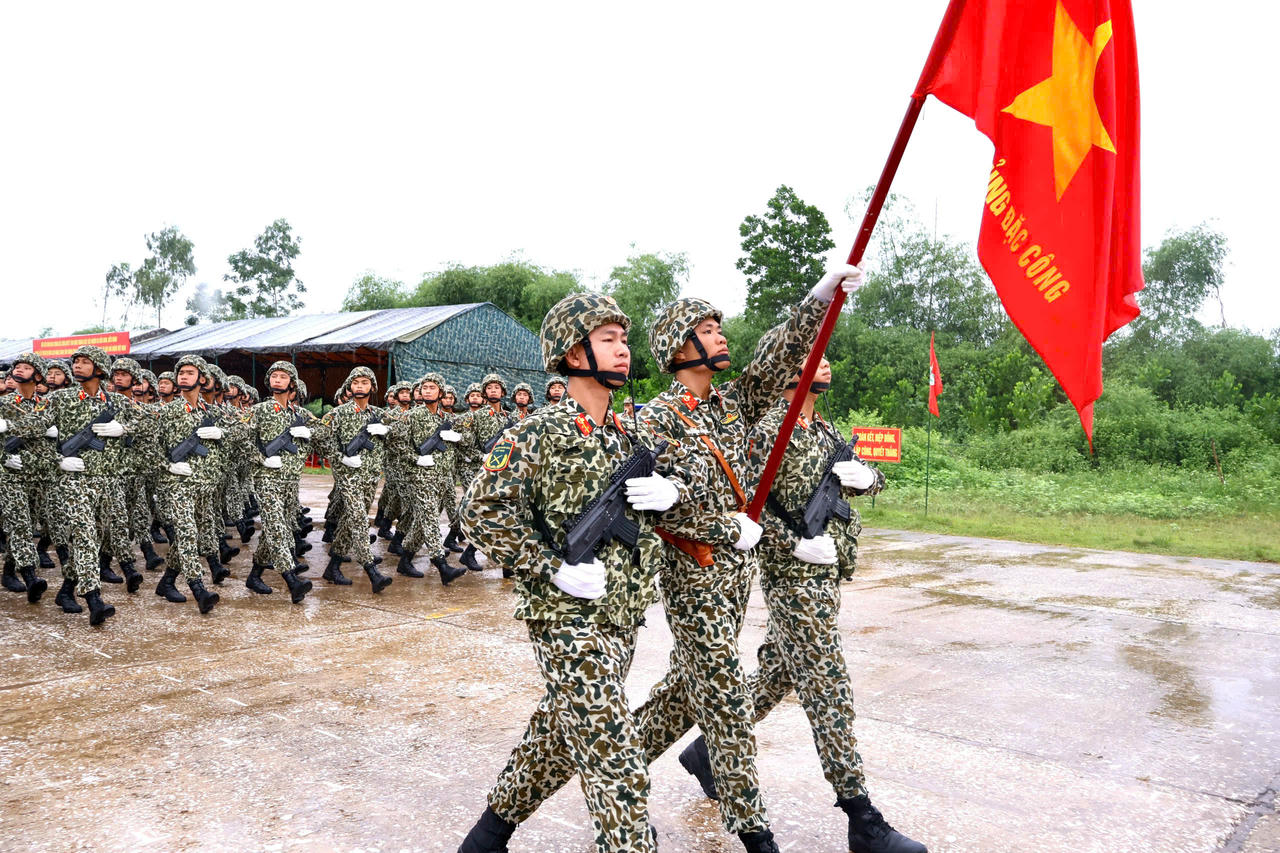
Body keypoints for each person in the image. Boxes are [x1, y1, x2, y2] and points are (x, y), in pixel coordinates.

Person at [632, 265, 865, 853]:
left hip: (736, 578)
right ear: (680, 347)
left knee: (687, 694)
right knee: (728, 703)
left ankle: (615, 771)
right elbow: (653, 507)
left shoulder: (734, 404)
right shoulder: (656, 420)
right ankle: (755, 835)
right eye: (709, 329)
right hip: (695, 572)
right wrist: (718, 526)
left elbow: (779, 352)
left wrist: (820, 297)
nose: (722, 335)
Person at [456, 293, 691, 853]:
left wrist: (673, 492)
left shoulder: (628, 436)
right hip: (564, 615)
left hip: (618, 613)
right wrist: (549, 567)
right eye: (608, 339)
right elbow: (479, 511)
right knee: (617, 760)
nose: (623, 350)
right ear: (572, 350)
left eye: (625, 340)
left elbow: (684, 488)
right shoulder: (539, 431)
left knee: (561, 732)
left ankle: (489, 833)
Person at [680, 358, 926, 853]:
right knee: (828, 685)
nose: (829, 363)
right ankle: (862, 818)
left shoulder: (824, 429)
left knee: (779, 673)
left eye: (832, 357)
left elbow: (865, 480)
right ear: (793, 372)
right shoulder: (773, 428)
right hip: (794, 575)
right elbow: (741, 504)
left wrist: (865, 479)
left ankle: (710, 751)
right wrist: (787, 545)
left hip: (826, 571)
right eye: (818, 356)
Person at [313, 366, 394, 593]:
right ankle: (372, 571)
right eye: (356, 382)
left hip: (370, 477)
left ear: (372, 387)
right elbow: (319, 438)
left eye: (365, 383)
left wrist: (387, 430)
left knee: (350, 523)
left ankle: (333, 566)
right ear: (349, 386)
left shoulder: (379, 415)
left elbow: (400, 431)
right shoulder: (338, 414)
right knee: (359, 519)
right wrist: (340, 458)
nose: (360, 386)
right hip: (348, 476)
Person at [244, 361, 314, 603]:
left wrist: (310, 433)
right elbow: (241, 440)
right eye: (273, 376)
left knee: (276, 527)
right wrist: (261, 459)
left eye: (283, 376)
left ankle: (254, 575)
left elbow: (326, 432)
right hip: (267, 479)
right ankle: (291, 579)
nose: (277, 379)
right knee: (277, 527)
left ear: (291, 383)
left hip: (290, 481)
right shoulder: (259, 410)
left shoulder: (300, 414)